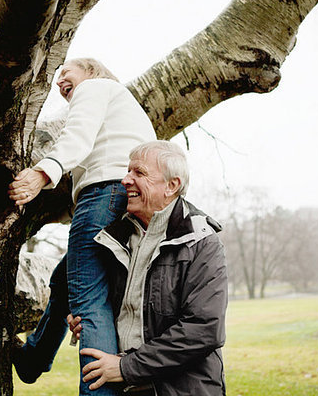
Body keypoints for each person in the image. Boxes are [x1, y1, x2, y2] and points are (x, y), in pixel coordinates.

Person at [8, 58, 156, 395]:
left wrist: (42, 172)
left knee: (89, 303)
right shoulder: (126, 109)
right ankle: (35, 357)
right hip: (131, 203)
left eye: (66, 72)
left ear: (91, 71)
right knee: (65, 281)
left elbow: (78, 136)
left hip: (104, 195)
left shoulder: (95, 87)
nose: (60, 81)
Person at [69, 140, 228, 396]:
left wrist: (125, 367)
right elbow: (117, 308)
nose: (125, 180)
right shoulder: (114, 239)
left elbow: (203, 329)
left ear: (171, 185)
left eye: (139, 173)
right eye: (128, 171)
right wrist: (87, 320)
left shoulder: (201, 242)